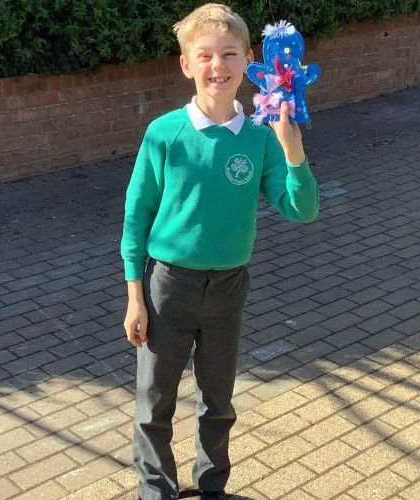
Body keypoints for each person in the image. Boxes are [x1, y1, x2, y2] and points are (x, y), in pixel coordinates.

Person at [121, 3, 319, 499]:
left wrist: (293, 149)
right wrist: (135, 296)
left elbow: (302, 209)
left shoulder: (260, 137)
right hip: (168, 285)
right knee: (154, 400)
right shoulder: (165, 133)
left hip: (229, 286)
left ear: (250, 61)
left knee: (218, 400)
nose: (217, 65)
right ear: (186, 64)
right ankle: (156, 490)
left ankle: (211, 487)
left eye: (229, 54)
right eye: (205, 55)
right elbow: (136, 218)